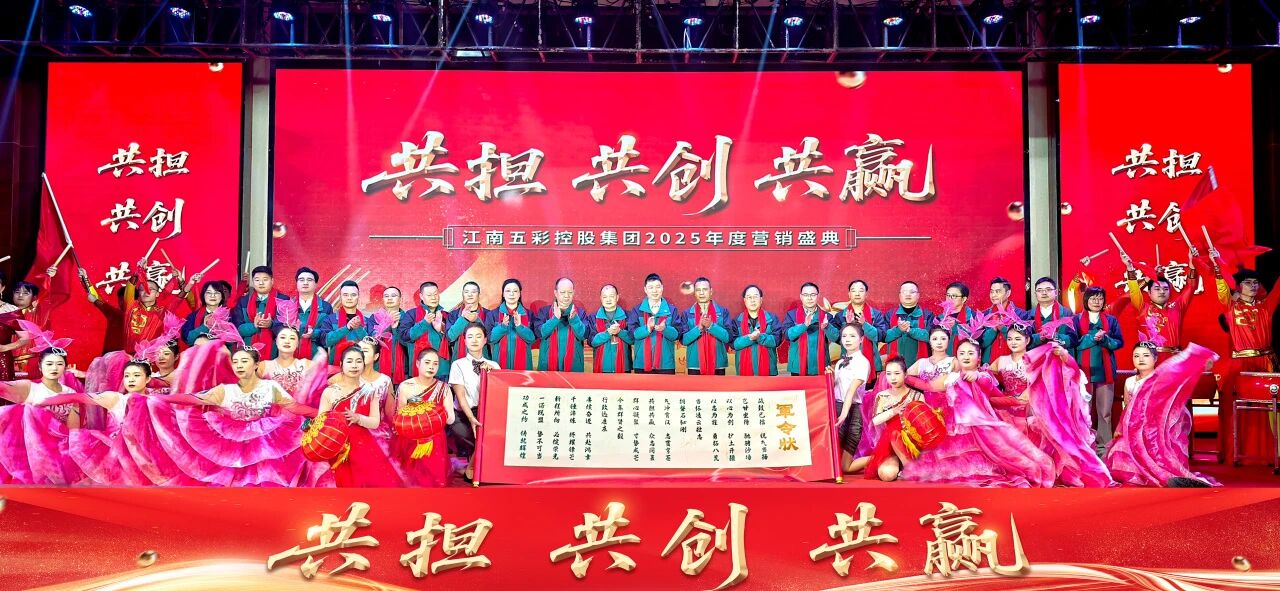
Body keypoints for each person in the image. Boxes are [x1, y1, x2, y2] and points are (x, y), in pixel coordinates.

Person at [901, 336, 1054, 488]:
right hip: (954, 429)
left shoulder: (984, 376)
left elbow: (992, 393)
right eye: (962, 353)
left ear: (979, 357)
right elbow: (928, 386)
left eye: (970, 353)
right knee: (948, 468)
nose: (966, 357)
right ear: (956, 357)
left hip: (980, 431)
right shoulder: (951, 377)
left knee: (993, 464)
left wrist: (977, 377)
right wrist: (903, 377)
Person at [1106, 342, 1219, 487]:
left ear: (1155, 359)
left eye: (1146, 356)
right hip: (1135, 429)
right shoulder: (1129, 381)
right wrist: (1120, 427)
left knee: (1159, 453)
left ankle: (1166, 475)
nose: (1141, 359)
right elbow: (1128, 408)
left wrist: (1199, 364)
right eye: (1136, 356)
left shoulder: (1162, 379)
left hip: (1156, 431)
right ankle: (1142, 474)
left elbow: (1181, 377)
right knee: (1120, 448)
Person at [1024, 335, 1114, 487]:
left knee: (1069, 446)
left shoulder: (1071, 371)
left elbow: (1076, 379)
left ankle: (1070, 473)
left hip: (1068, 419)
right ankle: (1052, 473)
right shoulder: (1041, 372)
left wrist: (1065, 357)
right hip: (1047, 419)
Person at [317, 347, 404, 487]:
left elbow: (375, 422)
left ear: (364, 364)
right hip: (338, 446)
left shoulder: (370, 391)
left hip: (364, 447)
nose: (354, 365)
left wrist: (358, 418)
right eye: (349, 361)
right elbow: (320, 421)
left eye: (358, 361)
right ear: (341, 365)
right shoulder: (330, 392)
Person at [848, 357, 924, 482]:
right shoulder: (882, 396)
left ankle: (909, 467)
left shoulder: (917, 395)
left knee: (897, 435)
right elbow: (875, 421)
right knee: (886, 475)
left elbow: (923, 422)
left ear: (905, 374)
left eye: (897, 373)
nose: (892, 378)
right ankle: (902, 465)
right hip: (890, 444)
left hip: (912, 443)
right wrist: (894, 411)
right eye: (889, 374)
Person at [1071, 286, 1124, 454]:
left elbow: (1119, 342)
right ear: (1086, 300)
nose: (1096, 301)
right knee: (1083, 411)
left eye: (1100, 298)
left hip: (1105, 370)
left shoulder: (1111, 320)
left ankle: (1105, 448)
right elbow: (1072, 343)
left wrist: (1105, 339)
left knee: (1105, 412)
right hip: (1083, 371)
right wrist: (1091, 338)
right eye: (1093, 298)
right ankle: (1084, 446)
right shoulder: (1075, 320)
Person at [395, 348, 454, 487]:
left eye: (435, 364)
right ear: (417, 363)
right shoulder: (406, 386)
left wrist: (433, 416)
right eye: (427, 362)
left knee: (433, 482)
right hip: (410, 438)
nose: (431, 367)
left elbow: (450, 418)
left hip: (434, 440)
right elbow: (400, 414)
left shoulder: (443, 388)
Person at [448, 322, 497, 481]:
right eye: (470, 337)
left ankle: (469, 468)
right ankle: (471, 466)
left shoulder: (494, 365)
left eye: (478, 336)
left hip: (487, 414)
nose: (474, 340)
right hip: (463, 415)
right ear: (464, 341)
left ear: (485, 340)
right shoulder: (458, 364)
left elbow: (497, 394)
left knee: (488, 438)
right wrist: (471, 418)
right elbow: (461, 397)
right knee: (481, 441)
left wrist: (492, 375)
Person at [829, 324, 870, 472]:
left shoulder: (862, 362)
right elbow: (835, 387)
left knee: (845, 467)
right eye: (844, 336)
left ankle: (882, 457)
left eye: (852, 336)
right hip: (837, 407)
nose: (847, 339)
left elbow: (852, 389)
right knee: (833, 461)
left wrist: (844, 413)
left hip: (853, 411)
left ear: (861, 339)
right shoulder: (840, 363)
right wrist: (830, 376)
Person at [629, 273, 683, 374]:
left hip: (665, 364)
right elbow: (632, 334)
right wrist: (647, 329)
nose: (655, 291)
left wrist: (665, 329)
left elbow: (677, 335)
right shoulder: (637, 310)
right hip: (641, 363)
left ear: (662, 288)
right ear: (645, 289)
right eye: (651, 287)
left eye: (658, 287)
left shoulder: (672, 310)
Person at [400, 281, 455, 379]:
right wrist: (424, 323)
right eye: (429, 295)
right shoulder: (411, 314)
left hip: (442, 369)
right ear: (421, 296)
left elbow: (452, 340)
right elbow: (405, 337)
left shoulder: (446, 315)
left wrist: (441, 329)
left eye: (436, 294)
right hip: (419, 368)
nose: (433, 298)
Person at [258, 300, 313, 397]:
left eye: (292, 338)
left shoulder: (307, 365)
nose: (287, 341)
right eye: (283, 337)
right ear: (276, 341)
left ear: (297, 343)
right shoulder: (263, 366)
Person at [782, 282, 838, 376]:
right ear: (801, 297)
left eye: (813, 295)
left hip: (820, 364)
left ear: (818, 296)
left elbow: (836, 338)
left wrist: (827, 327)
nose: (809, 298)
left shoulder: (826, 316)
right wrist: (804, 326)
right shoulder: (792, 315)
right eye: (806, 295)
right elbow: (787, 335)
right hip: (798, 366)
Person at [233, 265, 290, 357]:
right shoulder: (243, 301)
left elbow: (288, 327)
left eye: (265, 279)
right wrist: (254, 326)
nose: (261, 283)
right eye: (257, 280)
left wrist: (271, 324)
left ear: (272, 281)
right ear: (253, 282)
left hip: (276, 351)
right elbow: (237, 329)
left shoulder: (283, 300)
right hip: (248, 351)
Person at [535, 277, 590, 372]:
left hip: (574, 365)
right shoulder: (544, 312)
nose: (566, 296)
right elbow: (539, 333)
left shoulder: (580, 313)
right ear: (556, 293)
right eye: (562, 292)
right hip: (548, 365)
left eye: (570, 292)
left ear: (573, 293)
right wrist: (554, 319)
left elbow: (584, 336)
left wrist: (574, 320)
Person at [681, 277, 732, 375]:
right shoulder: (686, 314)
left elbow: (728, 338)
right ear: (694, 293)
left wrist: (711, 326)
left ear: (711, 291)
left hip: (718, 364)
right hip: (695, 364)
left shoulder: (723, 312)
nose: (701, 293)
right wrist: (699, 328)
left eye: (705, 289)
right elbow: (684, 340)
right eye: (698, 290)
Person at [879, 281, 933, 369]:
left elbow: (930, 337)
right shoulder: (890, 314)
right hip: (895, 368)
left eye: (912, 292)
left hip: (919, 367)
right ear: (899, 295)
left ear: (918, 295)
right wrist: (898, 330)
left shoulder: (928, 315)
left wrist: (910, 330)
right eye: (904, 291)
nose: (908, 294)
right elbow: (884, 337)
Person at [989, 323, 1034, 428]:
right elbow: (986, 379)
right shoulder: (1001, 360)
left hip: (1029, 407)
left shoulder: (1034, 360)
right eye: (1009, 339)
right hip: (1006, 407)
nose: (1013, 342)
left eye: (1017, 339)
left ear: (1027, 340)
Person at [834, 280, 883, 375]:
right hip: (847, 364)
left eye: (861, 290)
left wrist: (865, 324)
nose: (857, 294)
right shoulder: (840, 316)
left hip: (872, 363)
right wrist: (848, 325)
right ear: (849, 294)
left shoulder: (876, 315)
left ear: (866, 294)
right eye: (853, 291)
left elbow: (880, 336)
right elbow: (837, 339)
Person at [731, 285, 782, 376]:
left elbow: (777, 341)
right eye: (749, 297)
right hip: (744, 372)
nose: (752, 300)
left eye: (755, 297)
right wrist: (750, 338)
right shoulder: (737, 321)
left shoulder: (772, 319)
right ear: (744, 300)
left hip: (768, 371)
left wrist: (760, 337)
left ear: (761, 299)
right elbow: (734, 344)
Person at [487, 278, 536, 370]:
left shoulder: (529, 314)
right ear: (503, 294)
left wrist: (520, 327)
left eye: (515, 291)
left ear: (519, 294)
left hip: (524, 366)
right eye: (508, 291)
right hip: (499, 365)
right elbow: (490, 339)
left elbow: (532, 339)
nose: (511, 294)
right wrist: (502, 327)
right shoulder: (493, 314)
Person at [317, 281, 369, 364]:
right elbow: (325, 342)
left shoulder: (367, 321)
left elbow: (371, 345)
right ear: (340, 297)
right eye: (345, 295)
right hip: (336, 367)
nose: (349, 298)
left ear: (358, 296)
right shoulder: (330, 319)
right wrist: (347, 328)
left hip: (361, 366)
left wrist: (359, 328)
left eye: (353, 295)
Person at [981, 276, 1027, 364]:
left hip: (1013, 364)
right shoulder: (984, 315)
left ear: (1008, 293)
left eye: (998, 291)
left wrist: (1003, 329)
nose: (993, 295)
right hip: (989, 364)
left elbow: (1024, 341)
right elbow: (981, 343)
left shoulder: (1020, 314)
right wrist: (993, 329)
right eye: (991, 292)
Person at [371, 286, 411, 384]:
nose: (389, 298)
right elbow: (371, 340)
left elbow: (409, 343)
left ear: (400, 300)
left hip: (403, 369)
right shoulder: (374, 318)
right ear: (383, 300)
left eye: (393, 296)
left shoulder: (408, 318)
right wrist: (387, 322)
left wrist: (395, 329)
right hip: (378, 369)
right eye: (386, 296)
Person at [589, 284, 632, 374]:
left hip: (624, 367)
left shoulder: (628, 316)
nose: (608, 300)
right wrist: (607, 333)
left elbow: (632, 339)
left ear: (617, 297)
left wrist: (620, 332)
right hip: (602, 367)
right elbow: (592, 342)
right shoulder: (593, 317)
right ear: (601, 298)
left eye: (611, 296)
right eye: (605, 297)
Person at [292, 267, 334, 359]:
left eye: (309, 280)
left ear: (316, 284)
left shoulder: (326, 307)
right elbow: (278, 328)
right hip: (290, 355)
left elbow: (329, 335)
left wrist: (314, 333)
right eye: (301, 280)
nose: (305, 283)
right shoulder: (287, 305)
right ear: (297, 283)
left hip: (316, 357)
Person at [447, 281, 491, 363]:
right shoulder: (453, 314)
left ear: (479, 294)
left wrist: (476, 320)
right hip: (459, 360)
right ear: (463, 294)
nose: (470, 295)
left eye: (473, 292)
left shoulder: (488, 314)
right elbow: (450, 337)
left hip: (483, 360)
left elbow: (490, 339)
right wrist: (463, 319)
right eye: (466, 292)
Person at [1029, 277, 1077, 349]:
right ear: (1035, 294)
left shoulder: (1067, 313)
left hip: (1060, 354)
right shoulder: (1028, 315)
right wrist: (1039, 337)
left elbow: (1074, 339)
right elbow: (1024, 340)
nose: (1044, 293)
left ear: (1056, 292)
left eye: (1048, 289)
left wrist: (1055, 336)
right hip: (1036, 355)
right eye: (1039, 290)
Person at [180, 280, 232, 346]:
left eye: (216, 293)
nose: (212, 296)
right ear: (203, 295)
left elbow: (233, 341)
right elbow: (187, 339)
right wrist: (204, 327)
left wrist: (221, 328)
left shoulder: (229, 315)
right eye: (209, 292)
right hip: (198, 351)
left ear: (222, 296)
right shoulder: (193, 316)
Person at [941, 282, 977, 355]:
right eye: (948, 295)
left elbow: (977, 340)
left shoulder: (973, 317)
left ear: (964, 299)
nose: (950, 299)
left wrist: (955, 327)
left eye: (954, 296)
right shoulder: (940, 317)